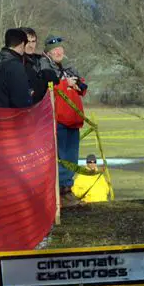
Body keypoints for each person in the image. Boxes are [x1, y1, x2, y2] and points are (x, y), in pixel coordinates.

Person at [45, 35, 88, 203]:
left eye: (60, 49)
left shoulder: (69, 68)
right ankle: (61, 191)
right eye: (54, 50)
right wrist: (65, 84)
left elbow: (83, 87)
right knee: (62, 158)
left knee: (71, 158)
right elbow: (49, 90)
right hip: (59, 121)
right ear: (48, 53)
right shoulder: (47, 69)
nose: (58, 52)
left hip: (73, 120)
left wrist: (77, 84)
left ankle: (68, 188)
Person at [0, 28, 32, 108]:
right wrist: (29, 95)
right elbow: (22, 102)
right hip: (12, 117)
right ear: (22, 44)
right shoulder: (15, 66)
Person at [22, 28, 58, 102]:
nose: (31, 45)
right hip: (26, 106)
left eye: (33, 41)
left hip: (43, 105)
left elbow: (54, 81)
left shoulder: (40, 59)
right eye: (27, 42)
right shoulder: (17, 61)